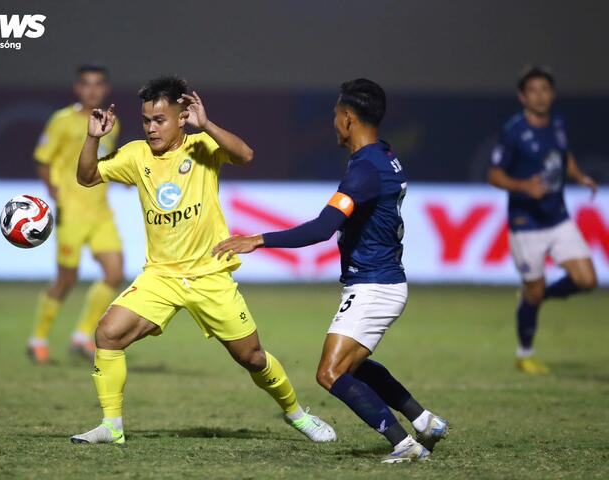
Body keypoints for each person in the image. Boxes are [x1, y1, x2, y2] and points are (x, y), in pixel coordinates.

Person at [70, 75, 335, 445]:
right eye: (146, 120)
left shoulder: (202, 148)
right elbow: (86, 176)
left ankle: (297, 414)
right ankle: (111, 426)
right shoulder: (135, 155)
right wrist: (94, 137)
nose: (151, 128)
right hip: (160, 276)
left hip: (210, 274)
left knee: (253, 358)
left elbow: (246, 155)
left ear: (182, 118)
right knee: (107, 334)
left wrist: (208, 124)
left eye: (160, 120)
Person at [213, 79, 448, 463]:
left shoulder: (365, 170)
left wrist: (257, 240)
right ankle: (424, 421)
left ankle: (405, 445)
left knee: (331, 374)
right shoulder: (385, 155)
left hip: (374, 286)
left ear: (349, 118)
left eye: (336, 116)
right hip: (383, 280)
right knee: (356, 366)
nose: (333, 123)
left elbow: (323, 228)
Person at [488, 66, 598, 375]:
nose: (540, 95)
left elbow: (563, 156)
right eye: (533, 90)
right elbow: (494, 174)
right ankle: (525, 354)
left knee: (587, 280)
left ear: (552, 93)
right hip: (526, 225)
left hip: (558, 218)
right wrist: (524, 186)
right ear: (523, 96)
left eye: (545, 89)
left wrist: (579, 176)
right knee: (534, 290)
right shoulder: (514, 131)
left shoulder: (558, 124)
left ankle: (536, 296)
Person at [28, 64, 125, 364]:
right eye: (86, 84)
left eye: (98, 84)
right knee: (67, 279)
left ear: (105, 89)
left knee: (115, 273)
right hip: (71, 211)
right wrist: (54, 191)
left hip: (101, 212)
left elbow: (104, 161)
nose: (92, 90)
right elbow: (42, 159)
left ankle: (83, 336)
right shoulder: (62, 121)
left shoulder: (112, 122)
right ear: (77, 88)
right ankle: (38, 338)